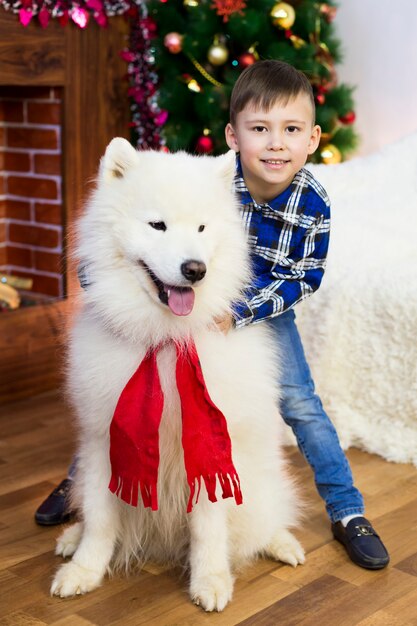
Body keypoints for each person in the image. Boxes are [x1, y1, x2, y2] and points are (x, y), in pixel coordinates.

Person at [35, 60, 389, 571]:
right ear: (234, 135)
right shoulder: (210, 178)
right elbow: (108, 249)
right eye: (260, 129)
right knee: (111, 413)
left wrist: (234, 312)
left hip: (258, 308)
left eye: (290, 131)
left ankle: (347, 510)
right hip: (200, 309)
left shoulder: (308, 198)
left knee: (300, 404)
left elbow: (303, 276)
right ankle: (84, 502)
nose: (274, 144)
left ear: (311, 139)